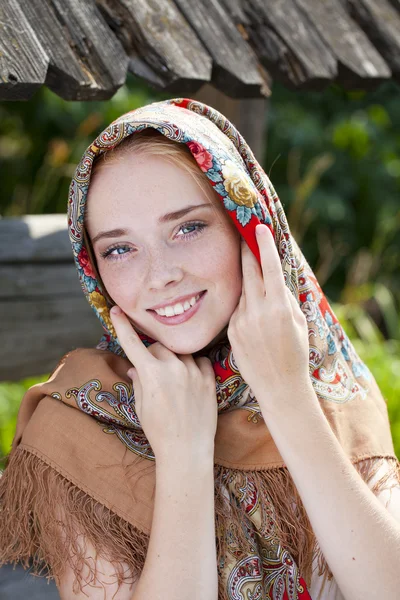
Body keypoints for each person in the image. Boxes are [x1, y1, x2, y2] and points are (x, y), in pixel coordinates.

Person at [0, 98, 399, 600]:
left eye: (188, 228)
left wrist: (286, 396)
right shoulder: (78, 424)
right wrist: (183, 455)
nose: (161, 274)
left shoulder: (325, 371)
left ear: (247, 227)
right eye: (119, 248)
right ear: (93, 270)